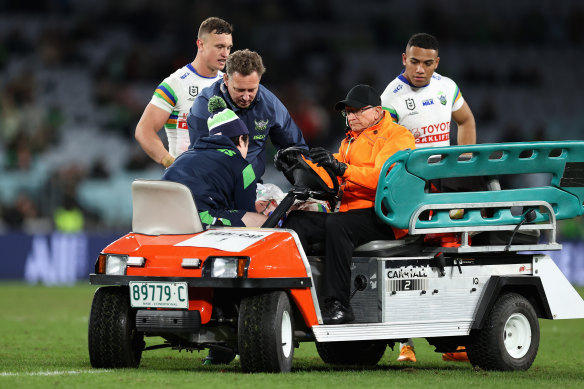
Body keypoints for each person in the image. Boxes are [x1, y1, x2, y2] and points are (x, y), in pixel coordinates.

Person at [283, 84, 415, 325]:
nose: (350, 116)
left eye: (356, 111)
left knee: (338, 225)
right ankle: (289, 296)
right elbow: (334, 182)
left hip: (384, 215)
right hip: (349, 214)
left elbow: (383, 179)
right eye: (347, 112)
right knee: (296, 222)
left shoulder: (398, 136)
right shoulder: (349, 141)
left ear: (376, 112)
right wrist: (301, 162)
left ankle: (339, 304)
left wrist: (342, 168)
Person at [381, 32, 476, 363]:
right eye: (414, 61)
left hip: (443, 186)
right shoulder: (390, 98)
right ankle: (404, 343)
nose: (420, 69)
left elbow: (465, 120)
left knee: (448, 255)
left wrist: (462, 164)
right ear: (403, 58)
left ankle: (451, 343)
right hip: (411, 188)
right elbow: (385, 145)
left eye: (428, 62)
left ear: (437, 63)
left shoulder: (447, 88)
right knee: (406, 258)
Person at [187, 49, 307, 179]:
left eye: (251, 89)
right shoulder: (204, 106)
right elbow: (200, 159)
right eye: (239, 90)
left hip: (252, 185)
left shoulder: (270, 105)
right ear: (226, 79)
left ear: (259, 80)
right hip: (215, 183)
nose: (246, 97)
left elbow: (296, 149)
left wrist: (307, 179)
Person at [135, 17, 233, 168]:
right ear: (200, 44)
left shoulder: (230, 85)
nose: (225, 54)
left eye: (228, 47)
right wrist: (170, 163)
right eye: (219, 46)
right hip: (186, 183)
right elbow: (144, 130)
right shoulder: (175, 83)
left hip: (221, 182)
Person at [161, 96, 267, 228]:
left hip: (159, 218)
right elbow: (245, 211)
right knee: (259, 221)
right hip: (194, 221)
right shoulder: (242, 166)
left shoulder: (184, 156)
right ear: (241, 139)